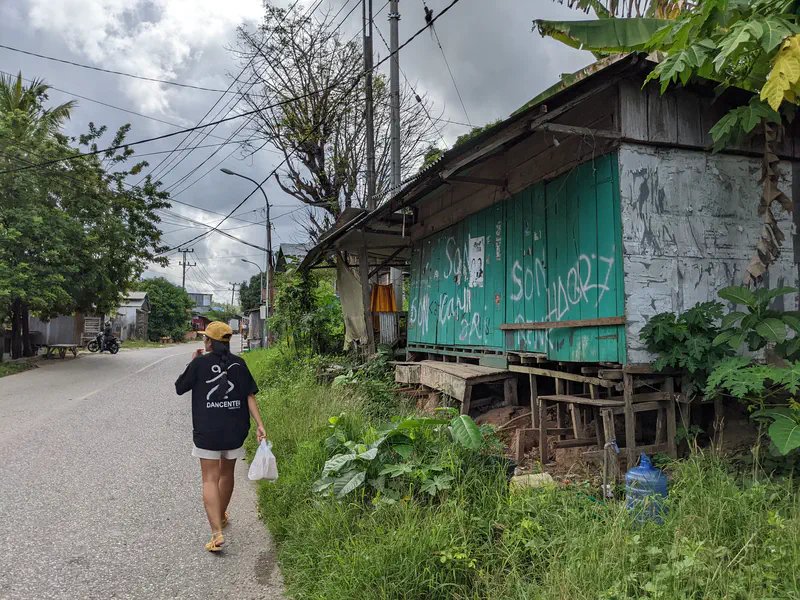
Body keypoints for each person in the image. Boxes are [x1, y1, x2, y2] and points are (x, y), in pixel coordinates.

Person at [174, 321, 266, 552]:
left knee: (209, 479)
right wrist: (260, 424)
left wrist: (192, 362)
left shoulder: (200, 364)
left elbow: (180, 387)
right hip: (235, 429)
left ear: (208, 342)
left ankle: (217, 533)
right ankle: (222, 515)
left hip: (208, 430)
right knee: (227, 474)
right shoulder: (240, 363)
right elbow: (249, 396)